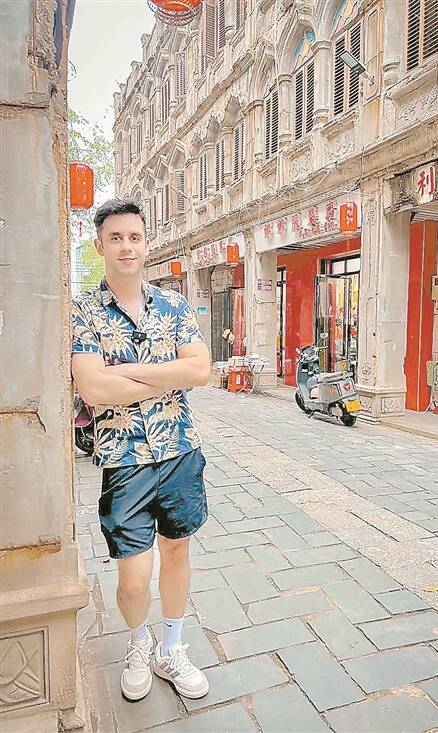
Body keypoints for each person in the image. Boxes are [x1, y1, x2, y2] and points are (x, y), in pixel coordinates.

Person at [72, 199, 211, 702]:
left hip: (179, 450)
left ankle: (171, 647)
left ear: (146, 243)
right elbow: (93, 389)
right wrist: (166, 374)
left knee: (177, 550)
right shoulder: (84, 310)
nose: (126, 246)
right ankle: (139, 641)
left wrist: (126, 373)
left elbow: (200, 370)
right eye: (116, 238)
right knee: (133, 577)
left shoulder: (174, 305)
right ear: (100, 246)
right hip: (123, 459)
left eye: (134, 237)